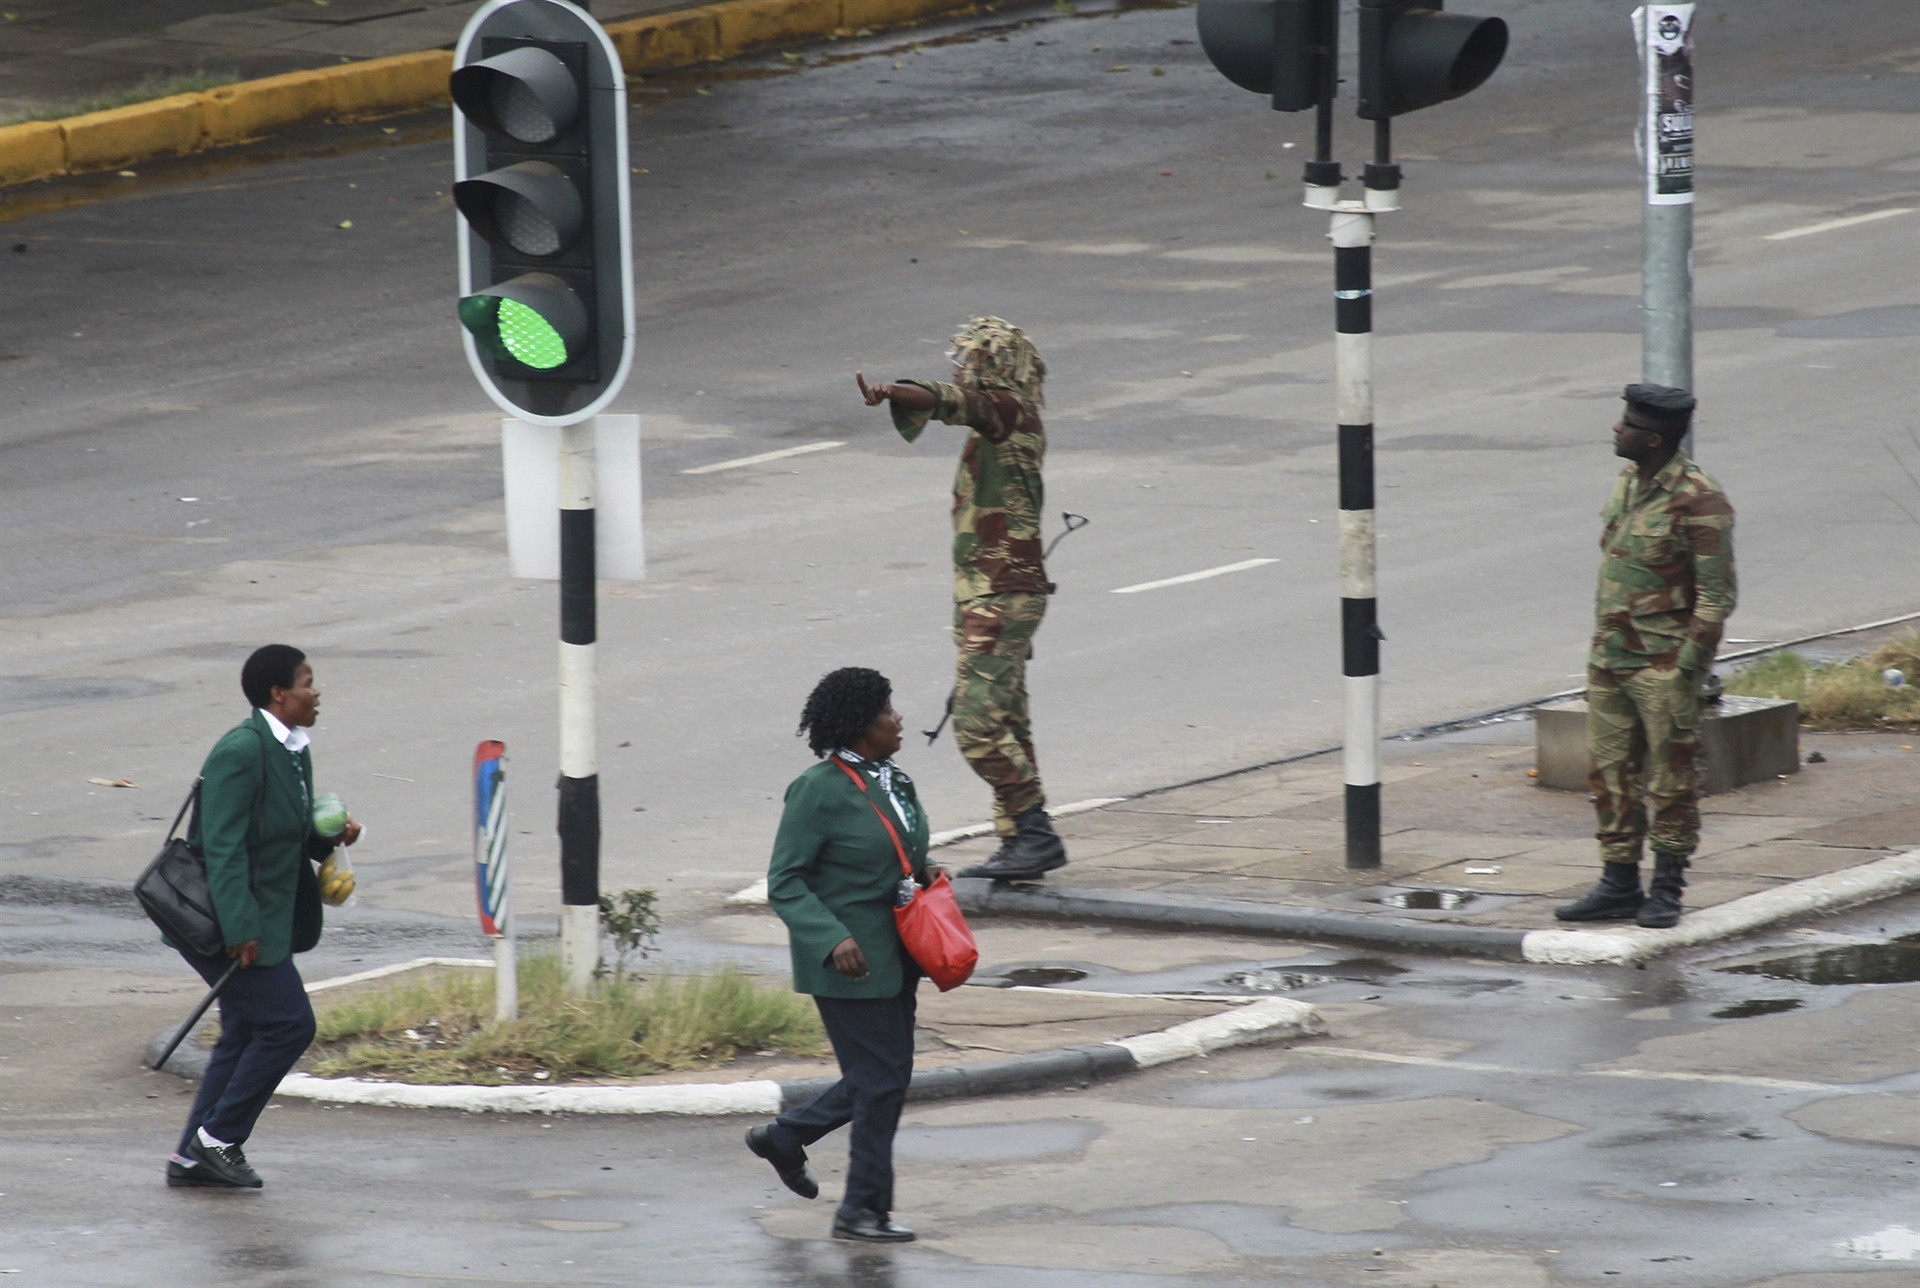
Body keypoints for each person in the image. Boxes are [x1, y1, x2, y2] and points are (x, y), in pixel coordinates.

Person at [855, 316, 1067, 882]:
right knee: (1007, 719)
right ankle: (1019, 840)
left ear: (990, 365)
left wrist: (892, 390)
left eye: (965, 359)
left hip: (1001, 592)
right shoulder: (1008, 419)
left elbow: (952, 401)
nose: (957, 369)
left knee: (976, 726)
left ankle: (1036, 833)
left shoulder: (1008, 411)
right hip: (996, 590)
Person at [746, 667, 932, 1243]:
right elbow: (785, 881)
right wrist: (830, 937)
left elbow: (894, 852)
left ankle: (786, 1137)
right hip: (848, 961)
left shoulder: (892, 780)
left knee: (884, 1078)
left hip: (898, 954)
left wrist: (925, 873)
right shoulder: (817, 790)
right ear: (859, 725)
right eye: (887, 711)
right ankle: (860, 1212)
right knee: (880, 1082)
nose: (898, 718)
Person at [166, 644, 361, 1189]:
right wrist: (240, 929)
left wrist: (331, 837)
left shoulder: (291, 748)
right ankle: (217, 1140)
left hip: (266, 920)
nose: (316, 693)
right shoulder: (241, 751)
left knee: (245, 1032)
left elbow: (286, 831)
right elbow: (222, 847)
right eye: (307, 683)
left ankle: (191, 1158)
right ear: (279, 693)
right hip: (232, 925)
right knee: (289, 1024)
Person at [1556, 385, 1735, 930]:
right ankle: (1618, 884)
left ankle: (1667, 887)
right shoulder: (1628, 482)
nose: (1617, 429)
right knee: (1609, 773)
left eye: (1627, 424)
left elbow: (1716, 596)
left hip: (1663, 666)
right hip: (1610, 657)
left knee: (1672, 777)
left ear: (1653, 439)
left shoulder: (1699, 498)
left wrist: (1687, 669)